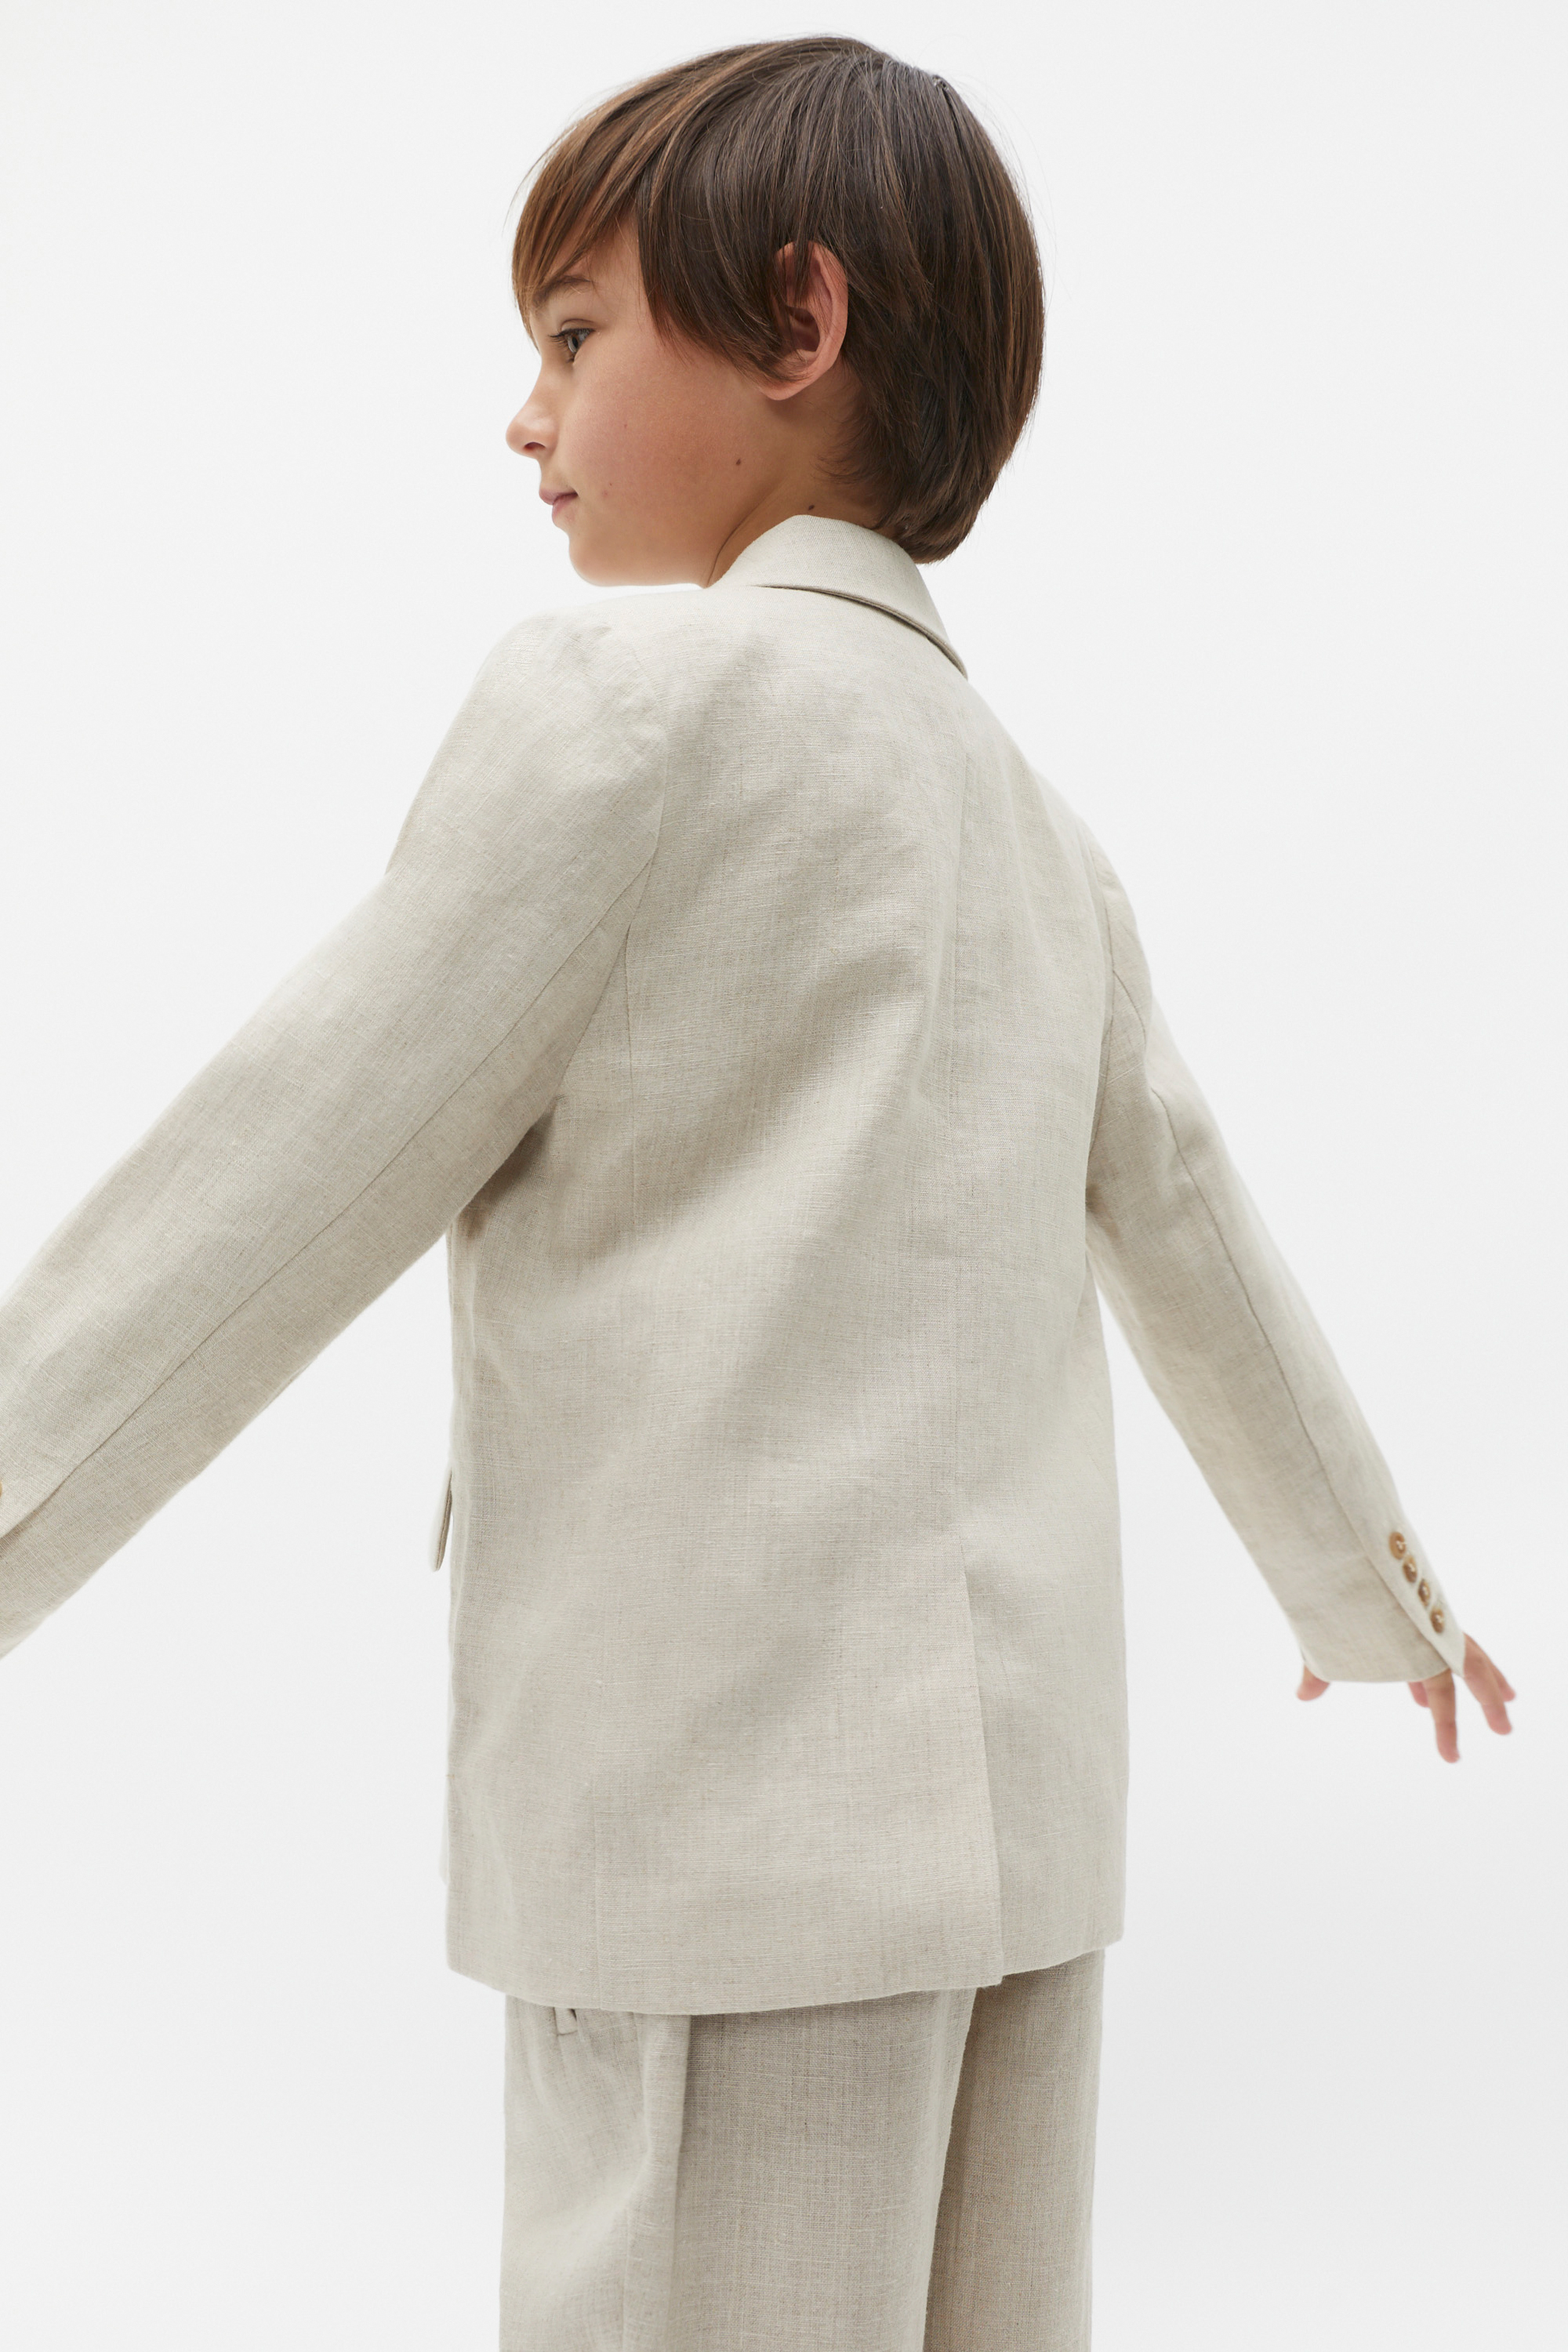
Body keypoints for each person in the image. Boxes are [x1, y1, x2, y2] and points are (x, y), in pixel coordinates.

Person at [0, 34, 1515, 2352]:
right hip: (1022, 1853)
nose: (526, 417)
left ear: (798, 323)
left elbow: (274, 1181)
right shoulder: (1034, 822)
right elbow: (1195, 1227)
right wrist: (1369, 1585)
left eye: (574, 335)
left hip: (713, 1839)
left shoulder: (626, 716)